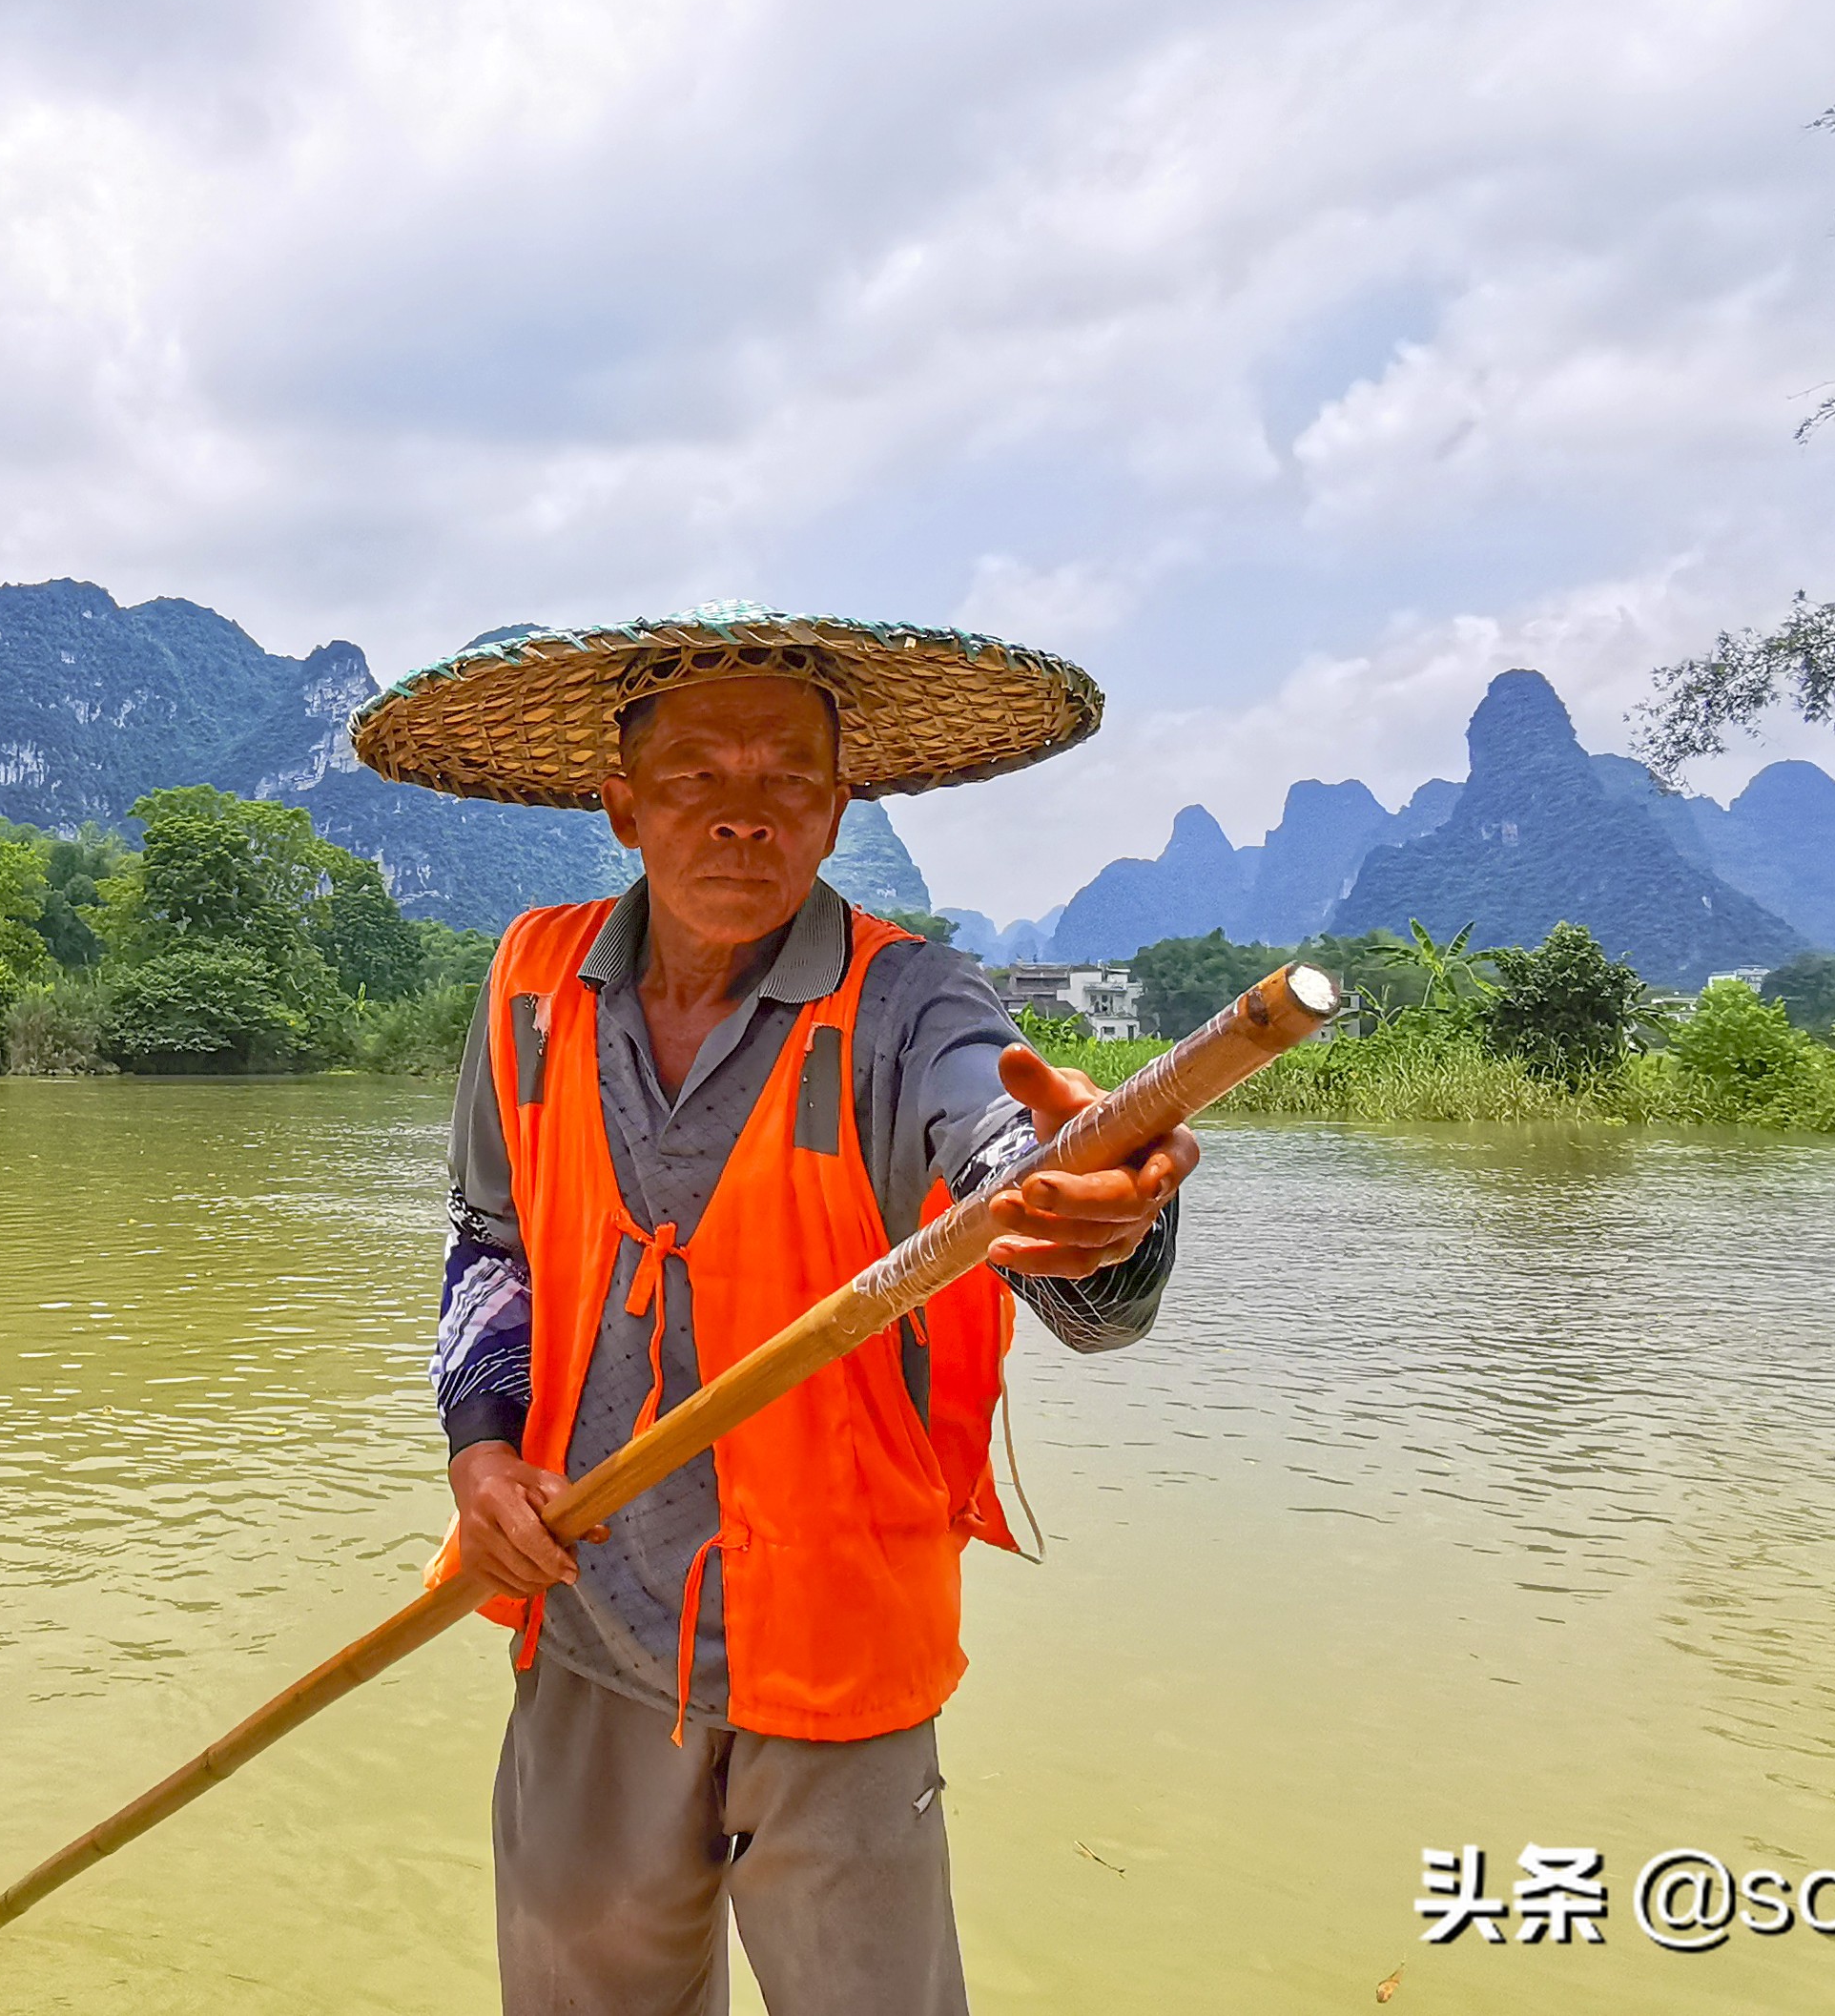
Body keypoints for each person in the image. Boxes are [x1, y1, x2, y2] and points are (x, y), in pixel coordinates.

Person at [344, 607, 1201, 2016]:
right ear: (621, 806)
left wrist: (1090, 1211)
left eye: (789, 778)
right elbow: (491, 1238)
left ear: (839, 805)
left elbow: (1012, 1159)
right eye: (697, 776)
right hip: (590, 1608)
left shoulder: (913, 1002)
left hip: (839, 1646)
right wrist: (480, 1449)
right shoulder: (530, 987)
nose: (745, 817)